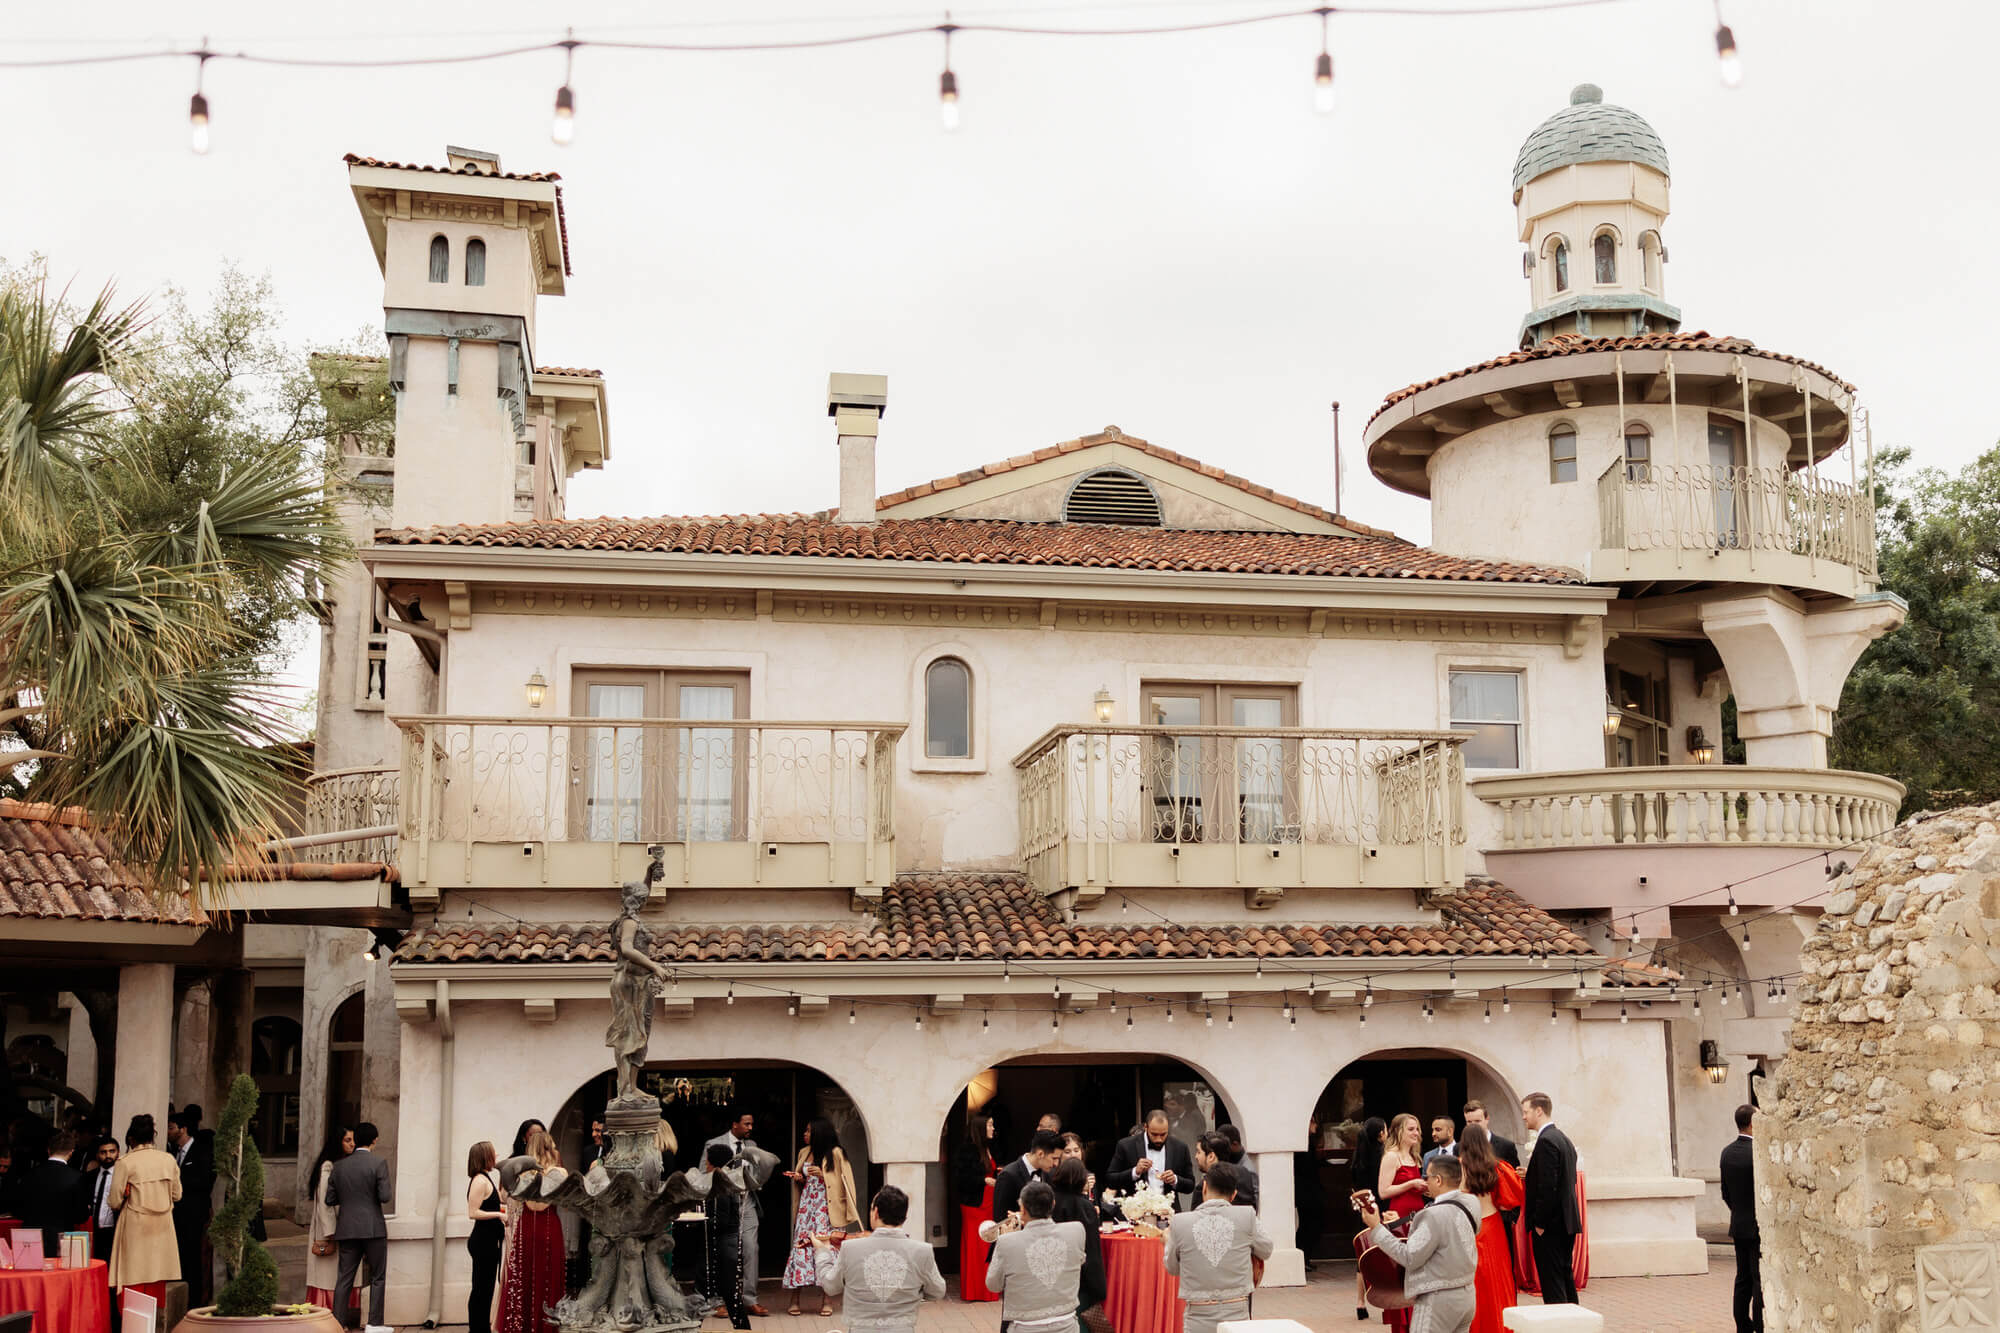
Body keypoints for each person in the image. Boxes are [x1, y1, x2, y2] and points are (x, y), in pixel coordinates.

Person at [1358, 1156, 1480, 1333]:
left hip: (1438, 1299)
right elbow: (1446, 1237)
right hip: (1467, 1294)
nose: (1425, 1182)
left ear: (1438, 1180)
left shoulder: (1432, 1214)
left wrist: (1376, 1227)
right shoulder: (1472, 1203)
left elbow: (1409, 1256)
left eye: (1427, 1177)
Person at [810, 1185, 945, 1333]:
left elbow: (830, 1286)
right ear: (904, 1217)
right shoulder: (922, 1251)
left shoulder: (850, 1248)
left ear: (875, 1212)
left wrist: (822, 1252)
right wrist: (914, 1292)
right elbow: (937, 1291)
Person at [1164, 1161, 1272, 1333]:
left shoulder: (1180, 1222)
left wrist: (1167, 1243)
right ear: (1234, 1194)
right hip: (1237, 1311)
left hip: (1197, 1314)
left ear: (1204, 1187)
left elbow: (1173, 1268)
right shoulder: (1247, 1216)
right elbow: (1266, 1250)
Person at [986, 1181, 1086, 1333]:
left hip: (1024, 1327)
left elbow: (993, 1285)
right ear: (1053, 1204)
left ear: (1023, 1210)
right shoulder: (1077, 1230)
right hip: (1067, 1325)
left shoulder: (1007, 1242)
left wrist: (1006, 1241)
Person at [782, 1117, 857, 1316]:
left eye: (808, 1131)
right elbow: (804, 1179)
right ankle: (795, 1299)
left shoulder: (836, 1153)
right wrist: (799, 1178)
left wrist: (824, 1176)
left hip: (827, 1209)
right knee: (801, 1247)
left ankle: (827, 1300)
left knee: (828, 1249)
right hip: (807, 1207)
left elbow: (846, 1182)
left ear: (819, 1133)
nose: (805, 1134)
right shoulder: (804, 1152)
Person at [499, 1129, 568, 1333]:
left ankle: (521, 1326)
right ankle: (546, 1327)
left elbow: (507, 1197)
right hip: (549, 1227)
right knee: (549, 1277)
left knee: (524, 1277)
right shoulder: (560, 1173)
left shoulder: (522, 1173)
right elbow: (562, 1200)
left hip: (528, 1227)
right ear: (550, 1147)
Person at [703, 1109, 771, 1316]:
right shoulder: (713, 1144)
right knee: (726, 1252)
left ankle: (749, 1300)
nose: (751, 1128)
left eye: (752, 1124)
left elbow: (758, 1172)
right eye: (747, 1124)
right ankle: (722, 1300)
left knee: (751, 1249)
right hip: (724, 1204)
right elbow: (703, 1173)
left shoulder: (752, 1146)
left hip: (746, 1202)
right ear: (735, 1124)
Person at [327, 1121, 393, 1329]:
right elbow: (385, 1196)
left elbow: (330, 1199)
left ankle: (339, 1324)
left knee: (344, 1278)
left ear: (356, 1140)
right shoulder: (379, 1163)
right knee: (377, 1277)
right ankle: (374, 1325)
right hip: (373, 1228)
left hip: (347, 1228)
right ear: (374, 1140)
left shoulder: (339, 1166)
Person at [1458, 1126, 1521, 1333]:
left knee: (1475, 1283)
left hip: (1471, 1225)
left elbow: (1457, 1196)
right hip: (1493, 1225)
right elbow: (1506, 1202)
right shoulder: (1496, 1166)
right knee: (1498, 1280)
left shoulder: (1461, 1166)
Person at [108, 1115, 182, 1294]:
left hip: (135, 1225)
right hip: (163, 1225)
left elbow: (114, 1201)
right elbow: (177, 1195)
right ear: (152, 1136)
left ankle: (133, 1321)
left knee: (132, 1277)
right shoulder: (168, 1159)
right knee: (157, 1275)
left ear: (131, 1138)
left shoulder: (125, 1162)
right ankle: (154, 1320)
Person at [1519, 1093, 1581, 1307]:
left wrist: (1539, 1224)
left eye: (1526, 1112)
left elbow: (1549, 1188)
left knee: (1553, 1285)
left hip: (1551, 1226)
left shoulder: (1546, 1141)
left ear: (1539, 1111)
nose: (1524, 1117)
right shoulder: (1563, 1138)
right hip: (1566, 1221)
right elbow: (1565, 1178)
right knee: (1565, 1278)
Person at [1378, 1114, 1432, 1333]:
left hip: (1418, 1214)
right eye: (1411, 1129)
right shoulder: (1391, 1157)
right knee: (1402, 1267)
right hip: (1399, 1215)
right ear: (1399, 1131)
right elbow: (1383, 1191)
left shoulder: (1415, 1158)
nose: (1416, 1133)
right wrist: (1411, 1183)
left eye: (1417, 1129)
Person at [1044, 1158, 1106, 1322]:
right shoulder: (1084, 1206)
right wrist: (1099, 1287)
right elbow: (1091, 1249)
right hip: (1079, 1279)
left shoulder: (1049, 1203)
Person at [700, 1143, 752, 1331]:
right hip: (727, 1245)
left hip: (725, 1246)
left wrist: (700, 1219)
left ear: (712, 1162)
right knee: (728, 1293)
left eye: (707, 1159)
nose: (705, 1163)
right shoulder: (727, 1179)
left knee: (729, 1293)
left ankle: (743, 1327)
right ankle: (741, 1326)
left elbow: (720, 1221)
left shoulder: (720, 1184)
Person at [1720, 1104, 1762, 1333]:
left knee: (1742, 1277)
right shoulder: (1757, 1152)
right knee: (1758, 1280)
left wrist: (1738, 1211)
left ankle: (1742, 1326)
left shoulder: (1726, 1152)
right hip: (1757, 1226)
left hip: (1738, 1224)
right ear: (1753, 1124)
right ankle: (1759, 1325)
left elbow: (1725, 1193)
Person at [167, 1105, 214, 1305]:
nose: (168, 1132)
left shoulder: (202, 1150)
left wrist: (176, 1183)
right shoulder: (173, 1152)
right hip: (178, 1217)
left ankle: (197, 1303)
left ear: (183, 1128)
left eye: (171, 1128)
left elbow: (205, 1181)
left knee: (197, 1261)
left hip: (196, 1214)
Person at [16, 1128, 89, 1252]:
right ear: (71, 1152)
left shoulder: (29, 1175)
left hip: (30, 1239)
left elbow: (18, 1210)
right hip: (62, 1239)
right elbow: (80, 1216)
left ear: (48, 1150)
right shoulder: (76, 1177)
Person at [954, 1114, 1002, 1302]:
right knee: (976, 1246)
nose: (992, 1128)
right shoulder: (967, 1150)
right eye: (990, 1125)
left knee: (989, 1243)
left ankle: (988, 1290)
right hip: (974, 1204)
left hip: (989, 1202)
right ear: (981, 1127)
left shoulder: (988, 1148)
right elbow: (961, 1179)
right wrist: (983, 1180)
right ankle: (974, 1291)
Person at [305, 1127, 354, 1311]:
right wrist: (330, 1232)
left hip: (339, 1226)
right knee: (327, 1276)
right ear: (338, 1142)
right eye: (347, 1140)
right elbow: (325, 1203)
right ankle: (328, 1314)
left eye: (353, 1140)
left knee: (335, 1275)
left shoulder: (342, 1163)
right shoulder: (328, 1166)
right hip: (328, 1229)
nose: (352, 1144)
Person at [1107, 1110, 1195, 1208]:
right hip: (1135, 1213)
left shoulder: (1180, 1148)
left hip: (1167, 1212)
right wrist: (1135, 1172)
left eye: (1163, 1134)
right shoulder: (1126, 1146)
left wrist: (1175, 1179)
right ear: (1145, 1127)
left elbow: (1190, 1185)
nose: (1159, 1139)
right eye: (1154, 1134)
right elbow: (1111, 1180)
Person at [467, 1141, 507, 1333]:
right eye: (493, 1153)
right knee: (481, 1290)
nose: (496, 1156)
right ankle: (477, 1329)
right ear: (485, 1157)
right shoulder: (479, 1181)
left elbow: (496, 1202)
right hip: (483, 1243)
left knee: (487, 1289)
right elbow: (473, 1212)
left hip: (490, 1242)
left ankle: (482, 1328)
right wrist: (499, 1215)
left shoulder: (486, 1178)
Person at [1351, 1116, 1389, 1321]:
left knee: (1363, 1257)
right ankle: (1385, 1301)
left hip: (1364, 1210)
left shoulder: (1358, 1158)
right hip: (1382, 1210)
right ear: (1381, 1134)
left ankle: (1360, 1302)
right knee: (1385, 1255)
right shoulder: (1383, 1157)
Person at [993, 1129, 1062, 1232]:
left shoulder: (1049, 1174)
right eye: (1054, 1158)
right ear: (1040, 1154)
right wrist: (1020, 1219)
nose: (1056, 1163)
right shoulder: (1008, 1175)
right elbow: (1000, 1219)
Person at [1196, 1131, 1257, 1209]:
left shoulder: (1205, 1184)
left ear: (1211, 1156)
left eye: (1198, 1152)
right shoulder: (1244, 1172)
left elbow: (1197, 1218)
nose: (1196, 1156)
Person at [87, 1136, 122, 1261]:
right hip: (94, 1230)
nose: (108, 1155)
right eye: (103, 1152)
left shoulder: (123, 1176)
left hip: (115, 1230)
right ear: (97, 1155)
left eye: (112, 1151)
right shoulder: (89, 1177)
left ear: (118, 1153)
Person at [1462, 1103, 1518, 1169]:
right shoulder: (1459, 1147)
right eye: (1469, 1122)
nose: (1473, 1125)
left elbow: (1514, 1175)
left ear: (1487, 1119)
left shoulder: (1506, 1146)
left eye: (1477, 1121)